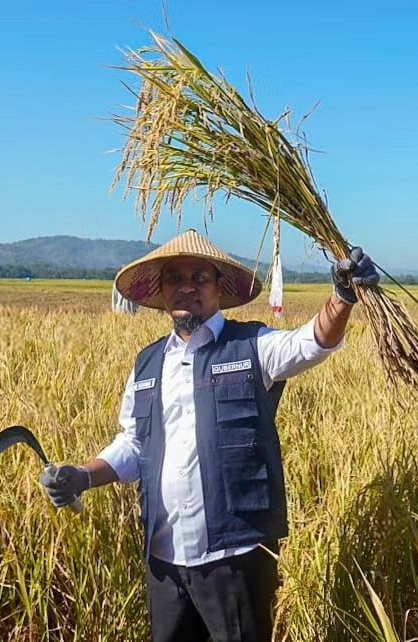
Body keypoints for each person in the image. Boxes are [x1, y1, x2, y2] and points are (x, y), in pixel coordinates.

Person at [40, 229, 379, 642]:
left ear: (219, 287)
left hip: (233, 557)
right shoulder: (147, 364)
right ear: (160, 291)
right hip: (163, 561)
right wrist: (82, 475)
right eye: (175, 279)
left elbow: (312, 343)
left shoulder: (253, 346)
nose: (187, 287)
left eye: (199, 277)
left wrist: (342, 296)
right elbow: (133, 444)